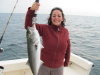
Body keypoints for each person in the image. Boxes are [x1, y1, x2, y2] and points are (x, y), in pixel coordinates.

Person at [25, 2, 71, 75]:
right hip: (43, 66)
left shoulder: (65, 31)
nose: (56, 18)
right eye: (54, 16)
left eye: (59, 16)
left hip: (58, 67)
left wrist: (66, 62)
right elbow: (28, 26)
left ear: (62, 18)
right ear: (51, 18)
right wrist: (31, 10)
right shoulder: (44, 28)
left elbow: (68, 47)